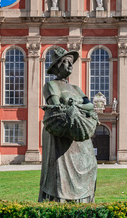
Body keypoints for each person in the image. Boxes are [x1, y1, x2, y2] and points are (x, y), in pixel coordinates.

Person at [39, 47, 99, 203]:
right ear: (57, 65)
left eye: (71, 62)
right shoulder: (51, 85)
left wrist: (75, 106)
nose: (70, 65)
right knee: (61, 175)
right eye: (66, 62)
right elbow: (56, 106)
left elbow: (90, 106)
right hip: (62, 132)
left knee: (92, 165)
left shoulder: (76, 89)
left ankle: (83, 204)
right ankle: (62, 204)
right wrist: (77, 108)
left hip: (80, 132)